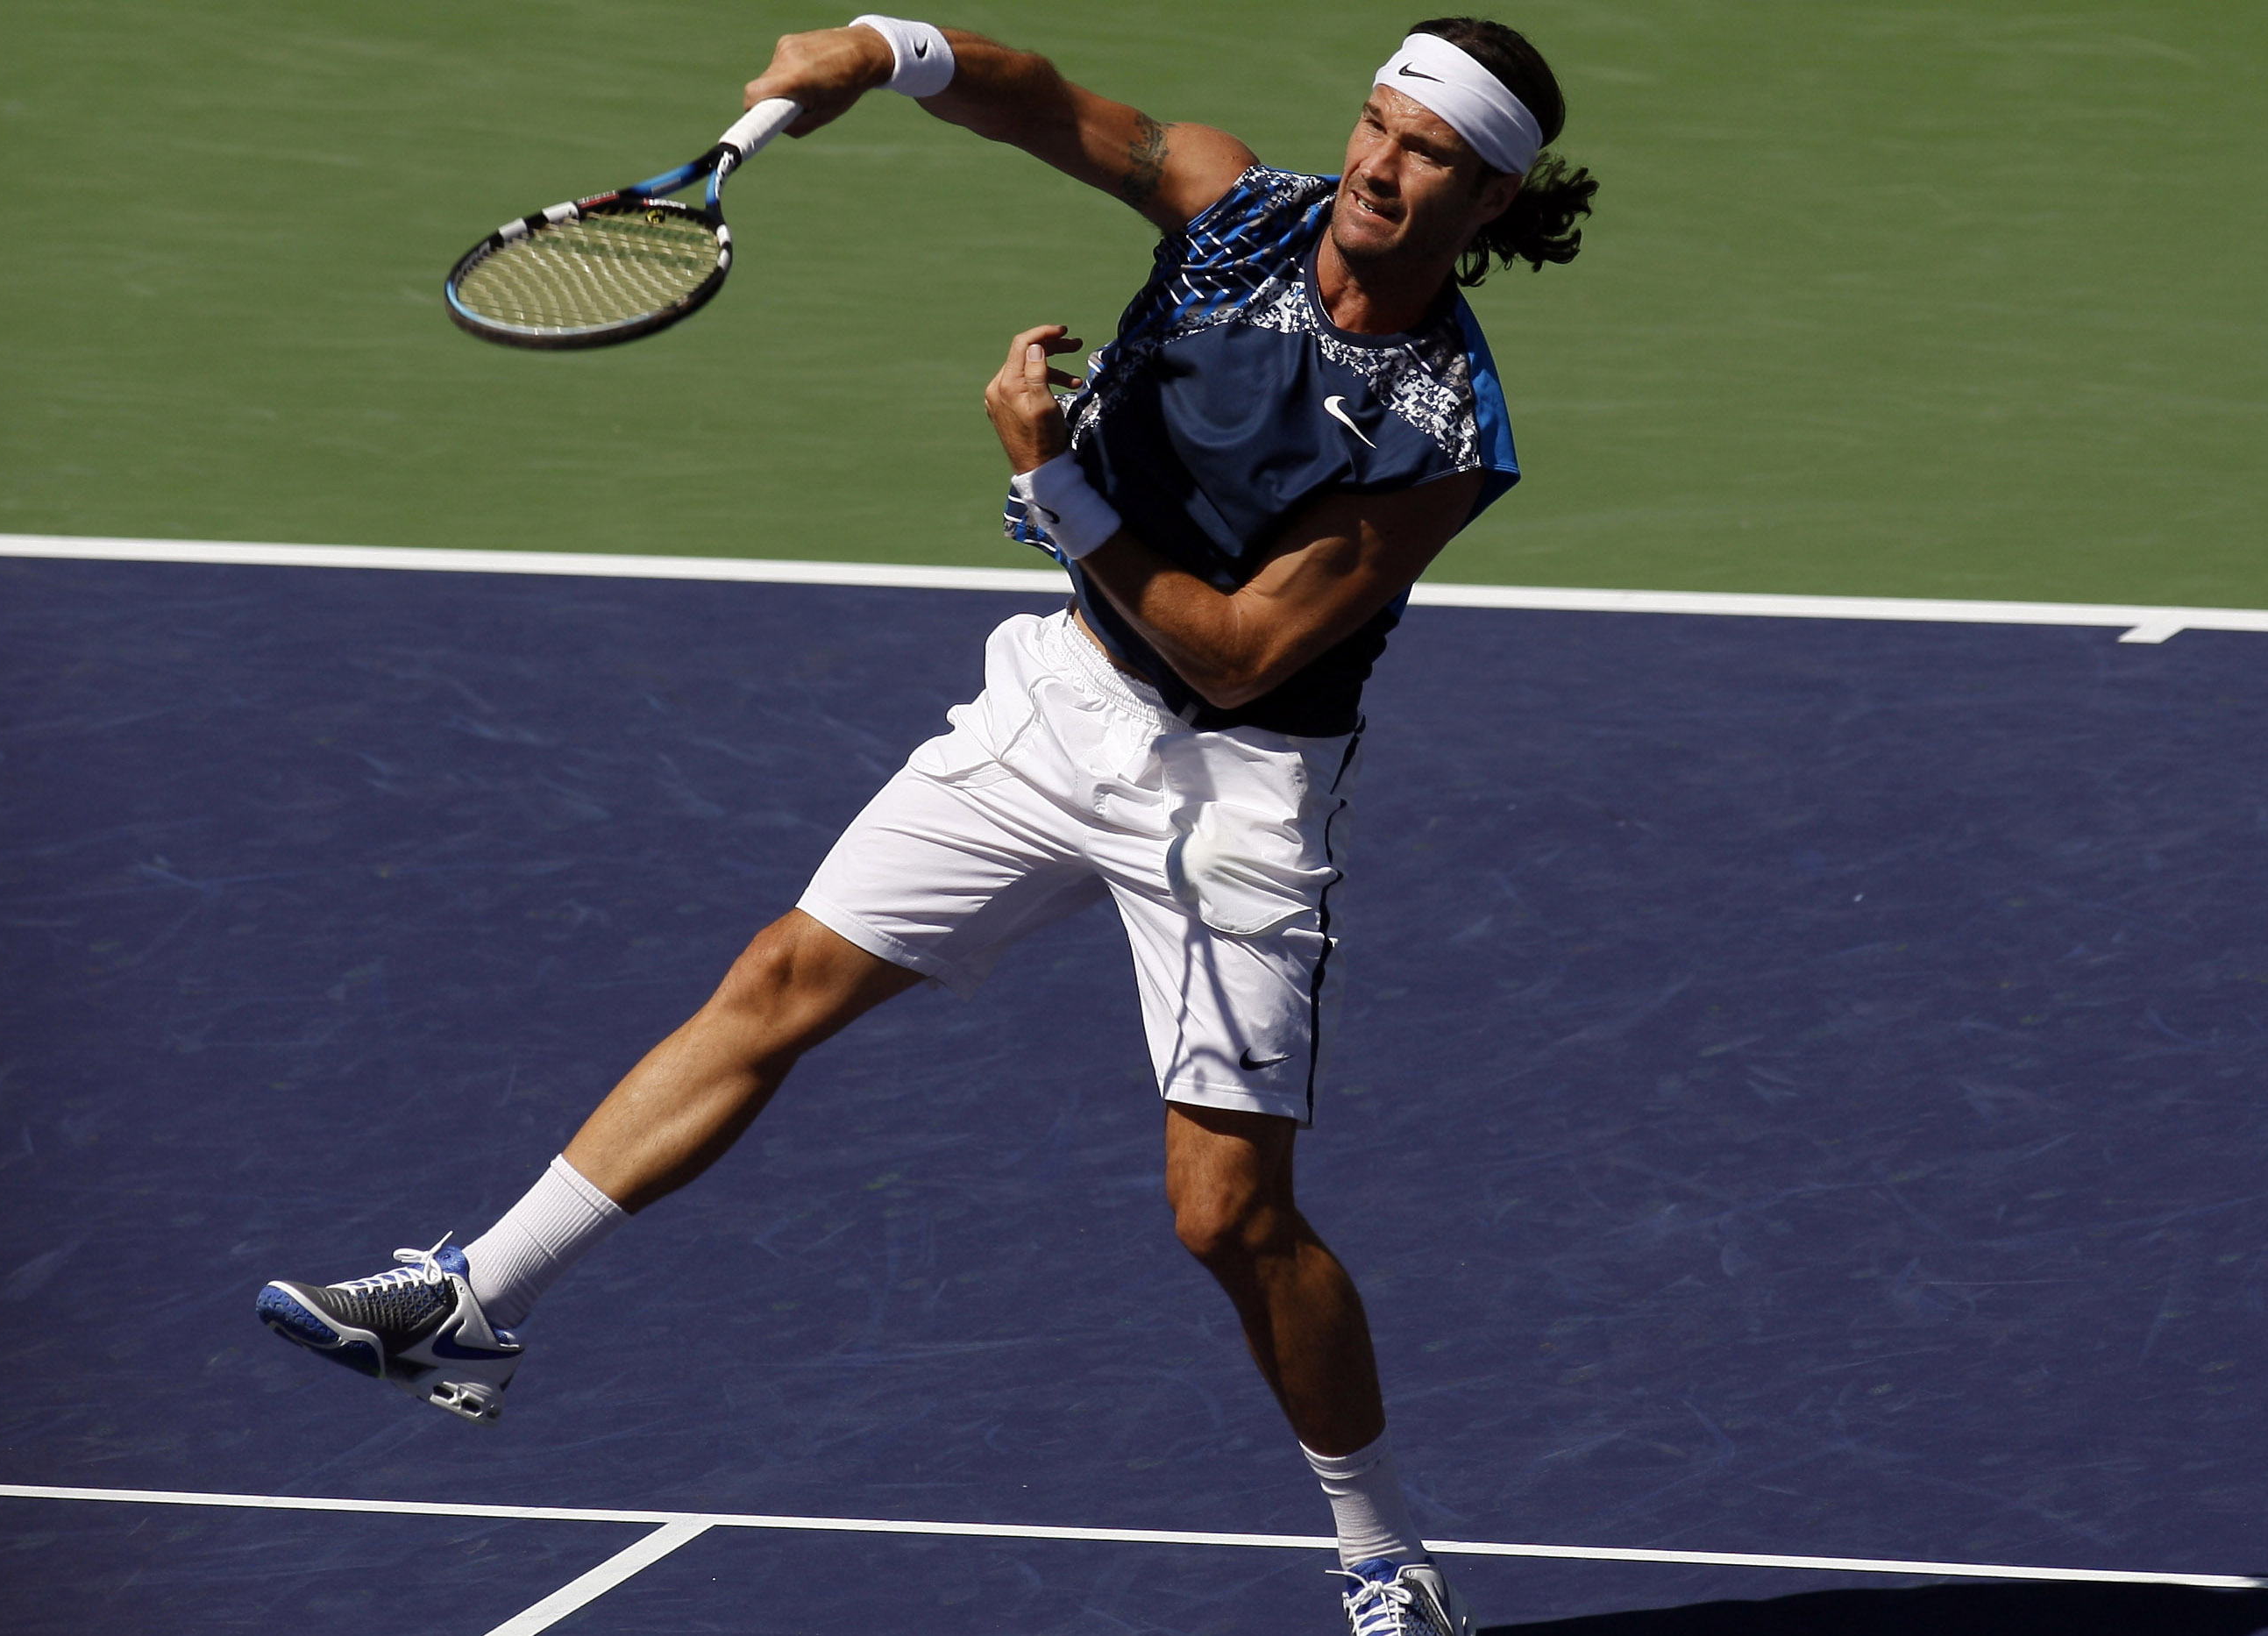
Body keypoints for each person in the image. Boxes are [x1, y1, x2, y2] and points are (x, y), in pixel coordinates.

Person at [258, 17, 1593, 1633]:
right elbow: (1048, 105)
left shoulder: (1443, 429)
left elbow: (1240, 652)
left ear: (1491, 199)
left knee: (1228, 1216)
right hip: (1060, 699)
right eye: (1378, 124)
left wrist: (1055, 484)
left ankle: (1382, 1551)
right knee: (780, 979)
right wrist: (880, 50)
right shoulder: (1237, 205)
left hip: (1233, 787)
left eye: (1428, 154)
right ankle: (471, 1301)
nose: (1379, 167)